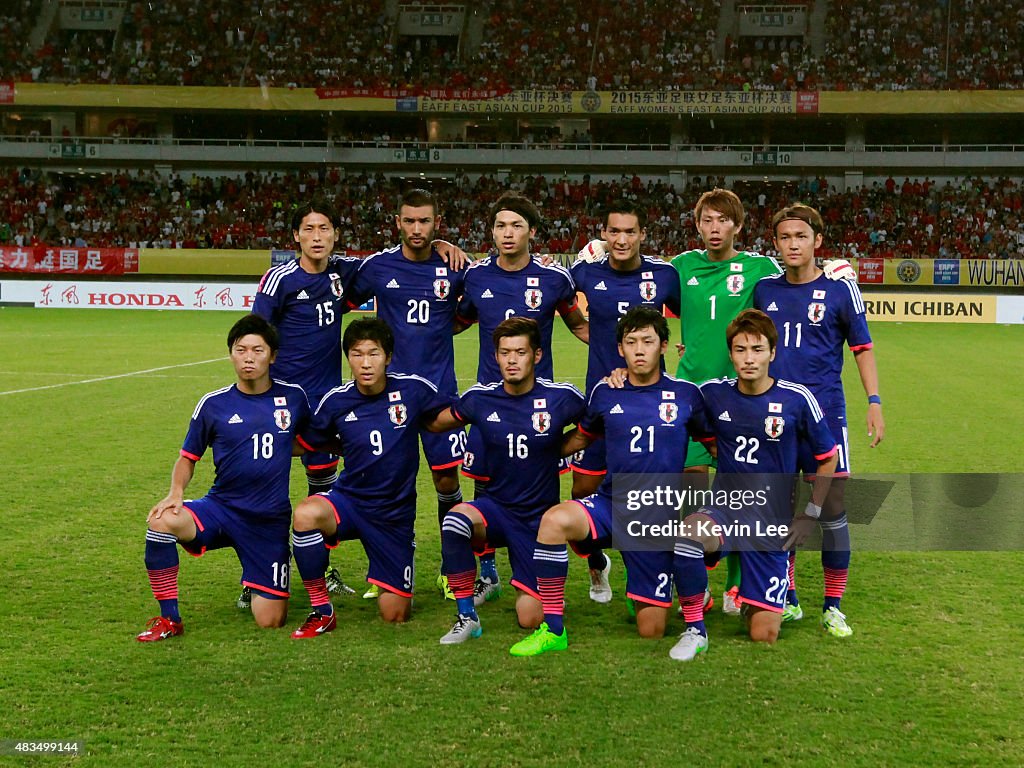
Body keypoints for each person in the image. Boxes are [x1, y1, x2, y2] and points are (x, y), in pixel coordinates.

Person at [507, 307, 709, 656]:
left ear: (663, 346)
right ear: (621, 349)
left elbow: (717, 447)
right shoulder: (606, 392)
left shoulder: (687, 394)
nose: (639, 349)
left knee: (652, 630)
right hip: (611, 505)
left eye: (648, 341)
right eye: (631, 342)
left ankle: (652, 589)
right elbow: (580, 439)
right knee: (554, 521)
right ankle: (553, 630)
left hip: (655, 518)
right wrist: (534, 452)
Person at [669, 309, 838, 661]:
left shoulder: (797, 399)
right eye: (741, 350)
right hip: (724, 511)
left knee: (764, 635)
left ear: (772, 353)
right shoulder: (713, 394)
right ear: (730, 354)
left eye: (757, 349)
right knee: (688, 534)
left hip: (771, 523)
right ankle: (695, 629)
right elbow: (669, 397)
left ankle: (754, 597)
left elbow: (827, 458)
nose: (749, 358)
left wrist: (809, 515)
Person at [753, 203, 884, 637]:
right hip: (777, 417)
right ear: (776, 244)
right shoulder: (764, 291)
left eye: (801, 237)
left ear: (818, 242)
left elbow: (862, 348)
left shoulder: (840, 290)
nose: (793, 244)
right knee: (783, 507)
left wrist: (875, 401)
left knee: (831, 507)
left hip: (826, 413)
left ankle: (833, 605)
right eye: (785, 237)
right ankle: (787, 599)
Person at [136, 314, 310, 642]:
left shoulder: (294, 398)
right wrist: (176, 492)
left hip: (268, 521)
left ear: (272, 355)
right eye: (240, 349)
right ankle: (169, 618)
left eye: (257, 350)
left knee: (270, 621)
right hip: (222, 509)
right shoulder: (214, 404)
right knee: (161, 521)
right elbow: (188, 457)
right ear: (231, 354)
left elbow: (308, 443)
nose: (248, 357)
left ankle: (257, 576)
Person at [453, 192, 589, 604]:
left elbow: (581, 329)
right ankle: (489, 573)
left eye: (515, 225)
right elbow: (453, 325)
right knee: (483, 490)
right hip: (489, 407)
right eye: (499, 226)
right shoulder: (475, 278)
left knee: (540, 492)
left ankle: (541, 565)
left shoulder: (554, 280)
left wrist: (629, 355)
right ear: (491, 232)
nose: (506, 233)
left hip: (541, 412)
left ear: (531, 231)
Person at [288, 317, 453, 637]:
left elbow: (448, 415)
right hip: (350, 501)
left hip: (394, 514)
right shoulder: (336, 400)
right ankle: (321, 610)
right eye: (357, 354)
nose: (365, 363)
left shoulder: (414, 389)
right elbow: (306, 441)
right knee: (306, 514)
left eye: (373, 353)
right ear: (347, 357)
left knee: (395, 615)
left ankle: (397, 559)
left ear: (388, 357)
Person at [427, 317, 586, 644]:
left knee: (530, 619)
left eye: (520, 352)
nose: (512, 360)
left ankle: (544, 583)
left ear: (537, 355)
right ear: (495, 356)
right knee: (456, 521)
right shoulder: (480, 399)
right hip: (496, 510)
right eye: (504, 352)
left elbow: (597, 422)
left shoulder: (562, 397)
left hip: (539, 522)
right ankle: (466, 616)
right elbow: (436, 422)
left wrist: (562, 447)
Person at [346, 188, 469, 600]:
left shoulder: (454, 267)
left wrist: (436, 332)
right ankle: (386, 566)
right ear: (397, 222)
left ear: (437, 224)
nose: (417, 229)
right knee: (384, 482)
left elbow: (467, 314)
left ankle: (453, 569)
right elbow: (343, 295)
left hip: (439, 396)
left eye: (425, 221)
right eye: (409, 221)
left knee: (446, 478)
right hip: (386, 396)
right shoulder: (378, 267)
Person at [568, 200, 681, 604]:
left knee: (646, 495)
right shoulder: (583, 273)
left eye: (629, 231)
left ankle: (654, 572)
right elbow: (565, 310)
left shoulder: (665, 276)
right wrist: (590, 336)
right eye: (613, 231)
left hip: (652, 406)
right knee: (582, 492)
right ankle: (597, 561)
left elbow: (697, 318)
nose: (621, 239)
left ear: (642, 235)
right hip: (600, 402)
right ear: (603, 234)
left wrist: (686, 349)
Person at [252, 200, 361, 603]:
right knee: (267, 493)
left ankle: (323, 570)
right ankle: (258, 576)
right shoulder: (279, 278)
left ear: (335, 235)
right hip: (282, 401)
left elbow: (390, 262)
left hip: (325, 402)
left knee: (322, 491)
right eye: (309, 229)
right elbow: (255, 335)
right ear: (296, 236)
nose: (317, 237)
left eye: (325, 229)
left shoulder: (340, 273)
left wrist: (437, 242)